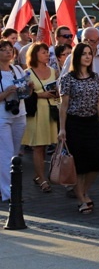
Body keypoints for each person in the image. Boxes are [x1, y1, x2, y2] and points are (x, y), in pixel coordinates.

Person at [62, 28, 99, 201]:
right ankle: (78, 192)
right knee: (79, 158)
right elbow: (64, 102)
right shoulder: (69, 70)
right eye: (87, 42)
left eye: (95, 42)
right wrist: (62, 129)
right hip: (76, 119)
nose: (91, 48)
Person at [58, 43, 99, 214]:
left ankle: (82, 191)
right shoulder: (68, 78)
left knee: (97, 161)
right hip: (74, 123)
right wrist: (62, 129)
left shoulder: (94, 77)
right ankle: (81, 198)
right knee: (79, 165)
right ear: (77, 57)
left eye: (89, 54)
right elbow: (64, 106)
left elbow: (98, 102)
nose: (88, 57)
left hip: (92, 122)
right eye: (84, 54)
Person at [23, 43, 58, 194]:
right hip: (36, 112)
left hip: (51, 110)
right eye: (43, 52)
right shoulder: (27, 73)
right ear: (35, 54)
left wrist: (56, 92)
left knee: (46, 146)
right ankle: (42, 178)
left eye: (47, 53)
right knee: (38, 147)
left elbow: (59, 91)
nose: (47, 55)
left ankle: (40, 175)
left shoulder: (53, 71)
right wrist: (37, 94)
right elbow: (23, 96)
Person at [0, 39, 32, 202]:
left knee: (13, 154)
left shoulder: (17, 68)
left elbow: (26, 92)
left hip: (19, 113)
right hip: (2, 117)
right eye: (3, 49)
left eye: (10, 49)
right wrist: (5, 93)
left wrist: (28, 87)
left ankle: (9, 187)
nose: (7, 52)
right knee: (5, 154)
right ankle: (8, 193)